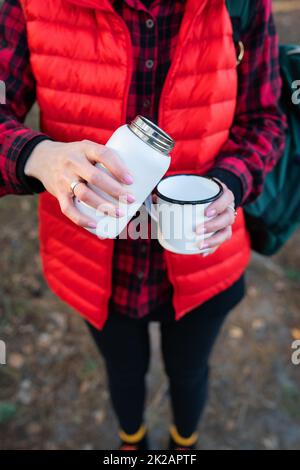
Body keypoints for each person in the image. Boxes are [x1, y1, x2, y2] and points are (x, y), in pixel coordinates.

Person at [0, 0, 286, 450]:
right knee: (123, 370)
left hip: (204, 262)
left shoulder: (244, 5)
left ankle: (182, 448)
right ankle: (131, 446)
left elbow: (267, 119)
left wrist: (232, 182)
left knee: (190, 371)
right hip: (92, 262)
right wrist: (38, 156)